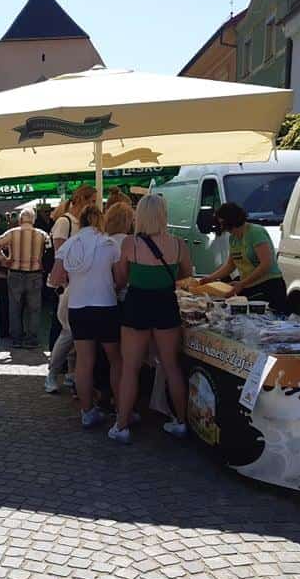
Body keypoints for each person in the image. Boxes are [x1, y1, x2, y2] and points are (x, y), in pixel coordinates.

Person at [112, 194, 192, 444]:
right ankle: (181, 421)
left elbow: (121, 279)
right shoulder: (179, 244)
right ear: (164, 214)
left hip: (137, 305)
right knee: (171, 366)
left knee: (130, 368)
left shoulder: (129, 244)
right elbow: (186, 275)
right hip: (166, 304)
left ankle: (122, 425)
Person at [50, 205, 123, 427]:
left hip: (79, 308)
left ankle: (87, 411)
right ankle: (121, 409)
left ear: (79, 221)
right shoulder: (110, 243)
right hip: (106, 306)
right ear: (100, 220)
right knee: (115, 360)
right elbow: (121, 279)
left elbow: (55, 278)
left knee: (84, 362)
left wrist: (74, 281)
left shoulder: (69, 245)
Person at [200, 202, 288, 314]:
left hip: (269, 287)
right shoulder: (233, 238)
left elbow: (266, 264)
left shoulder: (256, 232)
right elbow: (230, 265)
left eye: (223, 223)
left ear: (232, 220)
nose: (222, 227)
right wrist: (210, 279)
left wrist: (242, 284)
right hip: (249, 288)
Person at [48, 185, 98, 350]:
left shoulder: (82, 224)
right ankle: (56, 367)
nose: (95, 205)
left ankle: (66, 366)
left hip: (78, 284)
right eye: (93, 201)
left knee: (71, 328)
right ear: (82, 200)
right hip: (65, 283)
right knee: (62, 326)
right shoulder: (65, 222)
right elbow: (60, 255)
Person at [0, 208, 49, 349]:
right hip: (35, 274)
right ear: (33, 220)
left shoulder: (12, 233)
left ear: (20, 219)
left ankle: (17, 339)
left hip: (15, 273)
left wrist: (4, 260)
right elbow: (50, 251)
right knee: (34, 309)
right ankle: (32, 339)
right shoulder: (42, 234)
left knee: (15, 308)